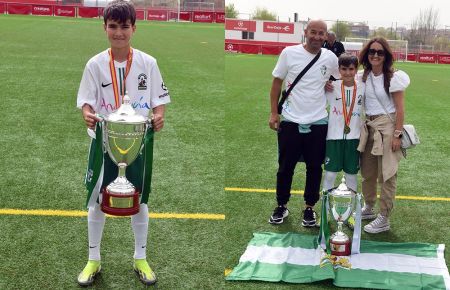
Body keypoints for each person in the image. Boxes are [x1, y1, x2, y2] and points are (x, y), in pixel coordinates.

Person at [76, 0, 170, 286]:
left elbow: (159, 100)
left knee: (140, 200)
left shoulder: (147, 62)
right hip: (104, 143)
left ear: (134, 29)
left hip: (138, 144)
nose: (119, 33)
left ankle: (140, 258)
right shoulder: (95, 64)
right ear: (104, 27)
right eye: (113, 27)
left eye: (124, 27)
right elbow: (87, 102)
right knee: (97, 200)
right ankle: (93, 259)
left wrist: (158, 115)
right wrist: (88, 115)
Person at [268, 20, 339, 227]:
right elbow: (276, 83)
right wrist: (274, 113)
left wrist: (331, 83)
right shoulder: (289, 53)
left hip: (318, 121)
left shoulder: (330, 57)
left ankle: (309, 207)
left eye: (321, 33)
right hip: (290, 119)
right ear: (305, 32)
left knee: (315, 167)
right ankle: (281, 205)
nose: (317, 37)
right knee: (285, 167)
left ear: (326, 36)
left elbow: (343, 76)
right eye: (313, 32)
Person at [357, 37, 410, 234]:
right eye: (372, 51)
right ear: (366, 54)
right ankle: (369, 207)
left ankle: (384, 217)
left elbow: (400, 109)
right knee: (368, 172)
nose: (375, 55)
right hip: (369, 126)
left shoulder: (393, 77)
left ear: (386, 55)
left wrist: (397, 134)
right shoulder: (363, 76)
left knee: (387, 174)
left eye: (380, 52)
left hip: (387, 127)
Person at [322, 53, 364, 193]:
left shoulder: (362, 88)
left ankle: (351, 210)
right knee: (329, 175)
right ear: (339, 69)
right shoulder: (331, 87)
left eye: (351, 69)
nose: (347, 72)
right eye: (344, 69)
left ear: (356, 70)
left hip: (354, 139)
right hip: (333, 137)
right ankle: (326, 209)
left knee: (351, 176)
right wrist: (324, 85)